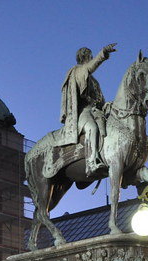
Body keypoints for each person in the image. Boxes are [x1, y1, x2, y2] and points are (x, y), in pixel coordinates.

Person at [59, 43, 116, 175]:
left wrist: (108, 106)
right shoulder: (78, 71)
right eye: (90, 56)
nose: (91, 57)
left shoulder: (93, 80)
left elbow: (101, 100)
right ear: (84, 57)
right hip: (83, 111)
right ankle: (92, 161)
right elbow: (91, 66)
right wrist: (102, 53)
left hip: (97, 112)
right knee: (92, 128)